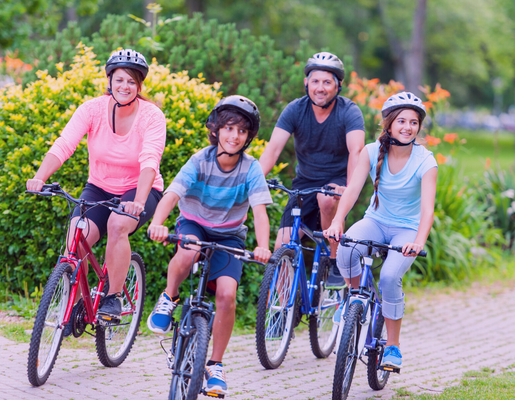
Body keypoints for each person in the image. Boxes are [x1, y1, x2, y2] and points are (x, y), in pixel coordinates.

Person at [26, 49, 166, 326]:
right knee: (76, 239)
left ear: (139, 85)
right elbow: (64, 144)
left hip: (140, 190)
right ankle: (78, 305)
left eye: (131, 81)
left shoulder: (152, 116)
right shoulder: (92, 109)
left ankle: (113, 297)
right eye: (120, 80)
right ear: (110, 80)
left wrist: (138, 201)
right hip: (99, 187)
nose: (125, 86)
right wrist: (40, 176)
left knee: (117, 225)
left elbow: (150, 160)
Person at [146, 95, 272, 395]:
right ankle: (169, 296)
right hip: (195, 224)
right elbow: (173, 194)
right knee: (188, 250)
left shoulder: (251, 168)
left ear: (248, 137)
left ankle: (215, 365)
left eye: (242, 131)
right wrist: (158, 222)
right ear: (216, 129)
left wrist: (263, 246)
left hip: (229, 236)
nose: (234, 136)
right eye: (229, 128)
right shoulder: (200, 160)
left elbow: (259, 212)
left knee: (227, 295)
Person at [323, 91, 437, 369]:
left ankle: (393, 347)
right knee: (347, 250)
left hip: (407, 231)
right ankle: (351, 297)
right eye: (401, 121)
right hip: (376, 221)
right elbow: (352, 190)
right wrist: (338, 221)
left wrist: (419, 241)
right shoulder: (372, 151)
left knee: (388, 278)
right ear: (388, 124)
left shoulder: (426, 161)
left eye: (413, 122)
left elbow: (427, 210)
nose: (408, 127)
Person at [259, 51, 365, 288]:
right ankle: (283, 310)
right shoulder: (296, 109)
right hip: (304, 185)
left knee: (326, 199)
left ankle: (334, 260)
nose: (320, 87)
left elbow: (356, 152)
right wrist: (252, 182)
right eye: (315, 81)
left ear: (338, 86)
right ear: (306, 83)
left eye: (327, 82)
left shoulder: (349, 111)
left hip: (336, 182)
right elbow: (273, 150)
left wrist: (348, 189)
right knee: (282, 248)